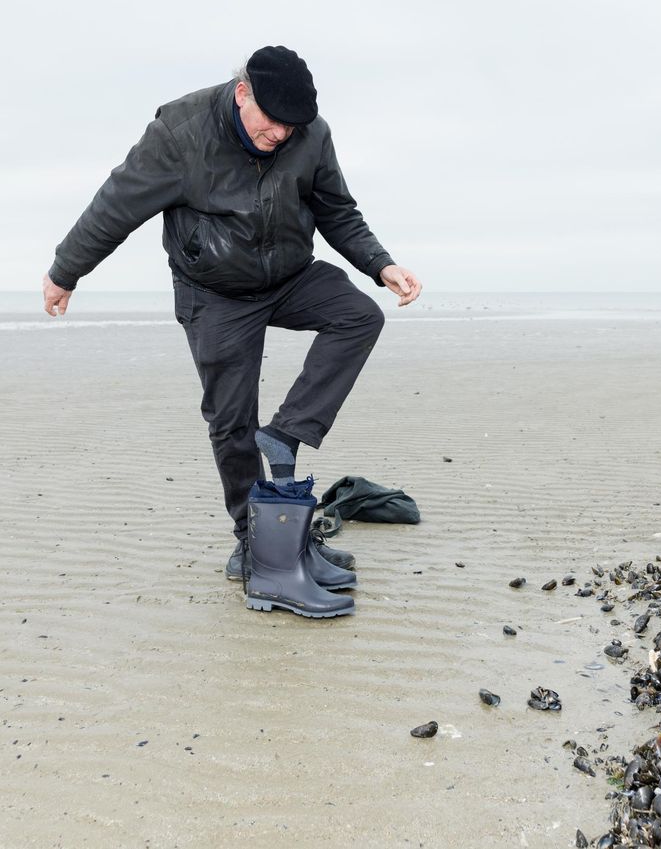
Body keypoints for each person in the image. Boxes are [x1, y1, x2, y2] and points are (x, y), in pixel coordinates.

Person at [43, 45, 422, 616]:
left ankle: (287, 432)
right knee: (230, 418)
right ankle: (259, 547)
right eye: (272, 123)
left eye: (292, 127)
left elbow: (336, 207)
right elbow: (115, 205)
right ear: (242, 92)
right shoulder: (181, 133)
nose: (281, 135)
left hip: (288, 276)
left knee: (358, 316)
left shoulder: (310, 134)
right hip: (214, 291)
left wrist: (380, 263)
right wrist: (65, 271)